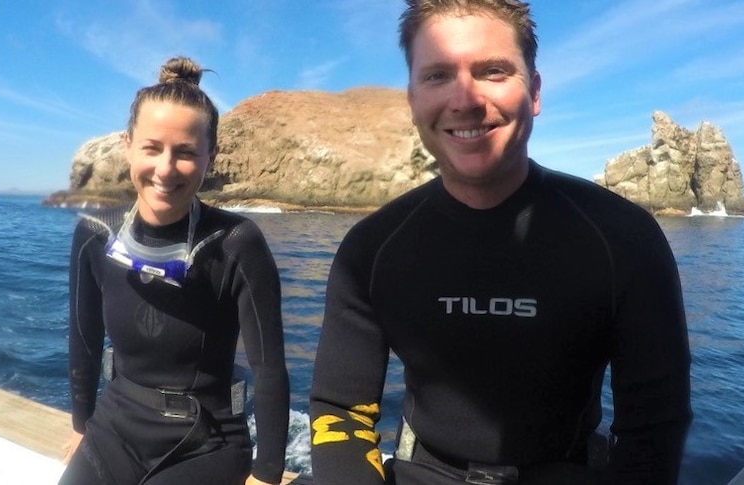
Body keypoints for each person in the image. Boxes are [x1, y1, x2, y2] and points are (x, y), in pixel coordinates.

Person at [308, 1, 692, 484]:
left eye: (492, 71)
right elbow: (339, 409)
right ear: (412, 98)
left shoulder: (623, 238)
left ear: (533, 92)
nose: (465, 99)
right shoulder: (371, 249)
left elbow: (653, 427)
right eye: (438, 76)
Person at [60, 56, 290, 485]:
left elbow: (270, 368)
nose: (165, 169)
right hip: (114, 428)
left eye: (185, 152)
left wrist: (267, 475)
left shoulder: (238, 242)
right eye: (152, 148)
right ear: (128, 144)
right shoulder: (94, 233)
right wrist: (80, 427)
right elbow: (84, 341)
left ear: (210, 156)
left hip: (207, 438)